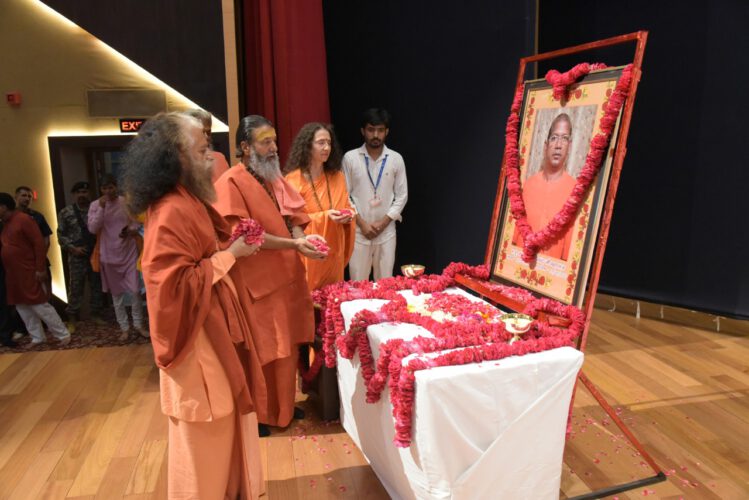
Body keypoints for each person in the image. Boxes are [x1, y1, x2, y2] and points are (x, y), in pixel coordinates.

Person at [121, 112, 263, 499]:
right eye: (202, 149)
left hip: (212, 326)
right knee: (207, 432)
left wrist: (228, 248)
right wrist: (229, 254)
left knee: (225, 425)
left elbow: (201, 255)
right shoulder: (171, 210)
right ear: (176, 157)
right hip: (196, 339)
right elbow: (171, 286)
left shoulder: (189, 199)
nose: (210, 157)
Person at [213, 115, 323, 436]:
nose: (274, 147)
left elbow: (296, 215)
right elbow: (245, 236)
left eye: (274, 140)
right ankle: (258, 414)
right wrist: (295, 243)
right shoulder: (231, 182)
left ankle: (284, 408)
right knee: (262, 350)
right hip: (256, 283)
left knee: (286, 347)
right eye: (265, 141)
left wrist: (304, 238)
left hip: (286, 278)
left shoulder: (274, 177)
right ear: (245, 147)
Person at [284, 123, 356, 291]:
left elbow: (346, 206)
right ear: (308, 146)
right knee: (310, 304)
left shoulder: (338, 177)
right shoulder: (292, 180)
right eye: (321, 143)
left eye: (329, 143)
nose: (326, 148)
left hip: (335, 251)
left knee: (332, 301)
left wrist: (349, 216)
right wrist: (325, 216)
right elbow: (291, 223)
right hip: (309, 252)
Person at [342, 108, 408, 281]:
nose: (375, 135)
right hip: (358, 231)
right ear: (363, 131)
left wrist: (384, 222)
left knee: (385, 283)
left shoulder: (395, 159)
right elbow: (343, 196)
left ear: (387, 132)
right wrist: (362, 224)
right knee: (357, 284)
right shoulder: (350, 158)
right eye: (371, 130)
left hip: (386, 232)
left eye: (380, 130)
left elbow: (402, 195)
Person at [0, 193, 71, 346]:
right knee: (21, 306)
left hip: (29, 270)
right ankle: (37, 337)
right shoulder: (5, 223)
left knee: (39, 304)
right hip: (13, 274)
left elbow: (39, 243)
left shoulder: (23, 219)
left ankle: (62, 334)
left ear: (4, 207)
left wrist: (40, 268)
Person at [87, 174, 147, 341]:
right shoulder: (95, 205)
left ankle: (138, 325)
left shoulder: (125, 202)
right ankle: (124, 328)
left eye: (111, 187)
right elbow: (92, 228)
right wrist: (101, 208)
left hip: (128, 253)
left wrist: (130, 230)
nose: (108, 191)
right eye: (105, 188)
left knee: (135, 291)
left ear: (116, 187)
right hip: (108, 255)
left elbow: (137, 222)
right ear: (101, 189)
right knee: (117, 294)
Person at [518, 113, 576, 260]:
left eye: (564, 138)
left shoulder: (575, 192)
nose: (558, 145)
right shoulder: (528, 186)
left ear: (569, 146)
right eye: (554, 138)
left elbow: (571, 254)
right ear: (546, 146)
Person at [57, 181, 104, 328]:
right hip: (76, 256)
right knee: (76, 287)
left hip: (95, 254)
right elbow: (61, 235)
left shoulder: (96, 209)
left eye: (84, 192)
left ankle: (96, 314)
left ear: (89, 193)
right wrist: (73, 248)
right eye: (78, 192)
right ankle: (72, 317)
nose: (82, 195)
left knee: (96, 285)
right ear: (74, 194)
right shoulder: (66, 212)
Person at [185, 108, 232, 183]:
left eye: (209, 132)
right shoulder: (183, 163)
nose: (207, 137)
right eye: (202, 132)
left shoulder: (220, 158)